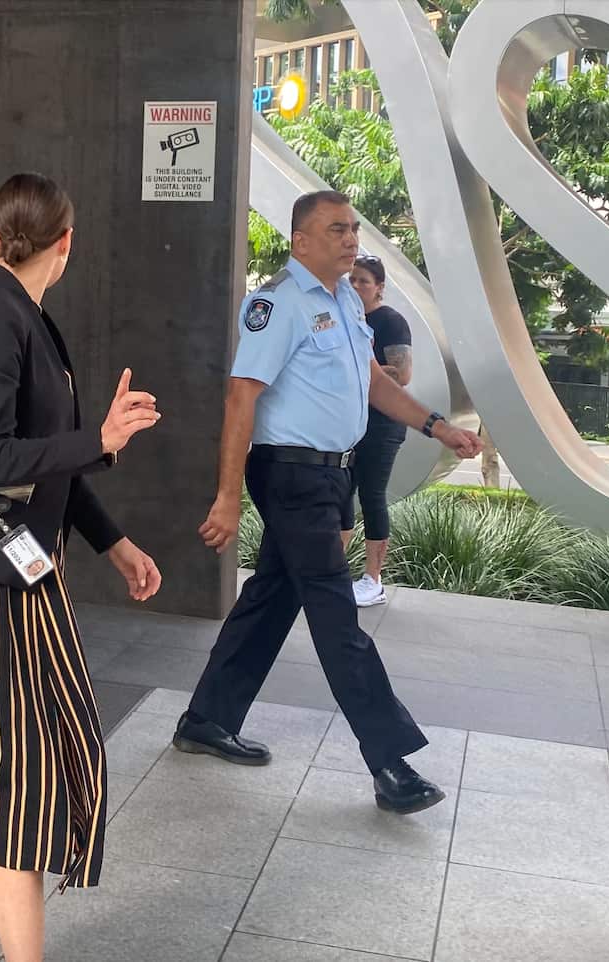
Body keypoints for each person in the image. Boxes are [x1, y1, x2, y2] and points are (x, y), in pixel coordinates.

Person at [0, 172, 162, 962]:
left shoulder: (26, 319)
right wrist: (101, 439)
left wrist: (112, 541)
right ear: (65, 244)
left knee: (5, 767)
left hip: (16, 575)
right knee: (20, 776)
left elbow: (47, 467)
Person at [179, 190, 482, 814]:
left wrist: (438, 426)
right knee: (335, 613)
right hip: (290, 475)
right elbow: (241, 399)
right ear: (301, 242)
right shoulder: (277, 305)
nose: (351, 239)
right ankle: (389, 762)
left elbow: (373, 382)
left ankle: (205, 718)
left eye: (354, 229)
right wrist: (228, 498)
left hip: (328, 477)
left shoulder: (347, 300)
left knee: (271, 596)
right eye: (336, 229)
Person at [341, 254, 413, 607]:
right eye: (351, 279)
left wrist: (361, 367)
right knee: (339, 494)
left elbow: (401, 375)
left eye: (364, 281)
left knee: (371, 496)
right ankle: (332, 573)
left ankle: (373, 580)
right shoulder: (341, 319)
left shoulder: (391, 322)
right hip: (346, 424)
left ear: (379, 287)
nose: (355, 286)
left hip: (382, 425)